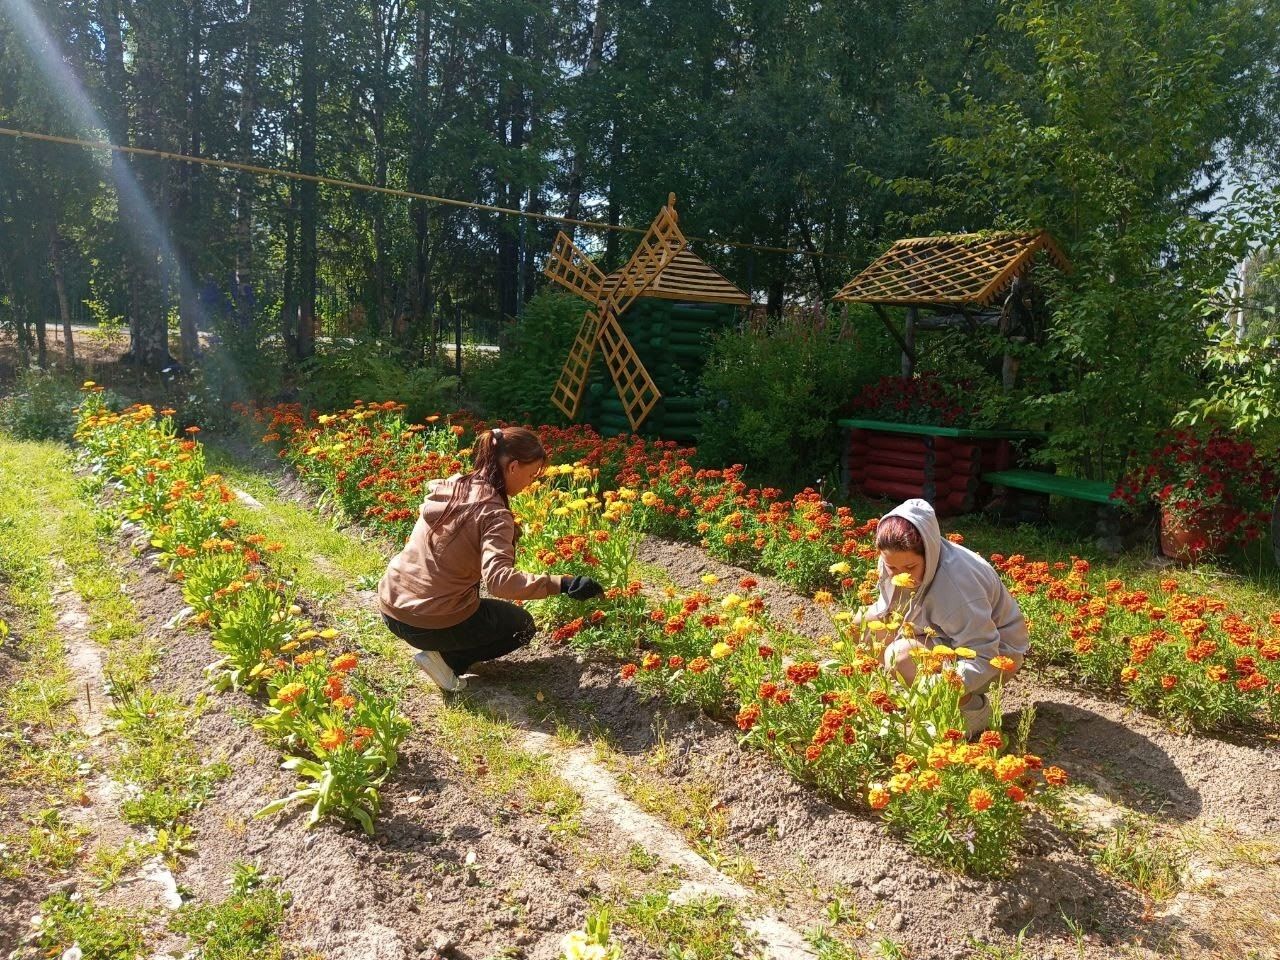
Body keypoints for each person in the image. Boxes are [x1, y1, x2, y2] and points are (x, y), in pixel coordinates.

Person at [378, 426, 604, 692]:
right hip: (427, 622)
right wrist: (563, 583)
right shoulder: (494, 514)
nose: (531, 483)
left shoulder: (454, 485)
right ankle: (447, 662)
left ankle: (440, 649)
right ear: (513, 467)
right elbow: (499, 582)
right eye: (531, 475)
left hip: (391, 605)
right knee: (521, 626)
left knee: (475, 607)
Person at [859, 498, 1028, 735]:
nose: (900, 577)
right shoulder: (897, 559)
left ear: (929, 552)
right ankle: (919, 699)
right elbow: (889, 610)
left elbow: (983, 653)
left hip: (996, 655)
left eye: (910, 568)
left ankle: (971, 709)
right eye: (892, 568)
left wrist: (940, 686)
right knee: (865, 624)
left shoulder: (958, 585)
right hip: (942, 634)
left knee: (902, 656)